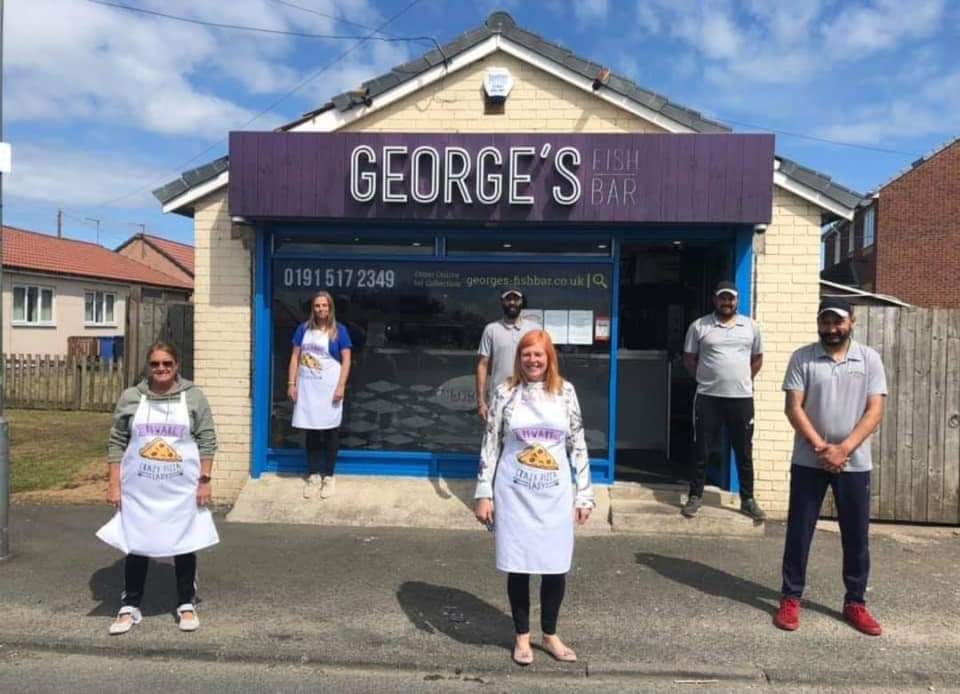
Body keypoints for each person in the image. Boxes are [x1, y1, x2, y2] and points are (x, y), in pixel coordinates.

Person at [473, 329, 595, 666]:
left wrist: (584, 494)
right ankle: (522, 637)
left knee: (555, 566)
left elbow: (578, 445)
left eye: (539, 354)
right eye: (527, 354)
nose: (533, 360)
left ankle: (551, 634)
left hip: (554, 495)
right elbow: (491, 444)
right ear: (519, 358)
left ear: (549, 357)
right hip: (514, 493)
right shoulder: (504, 393)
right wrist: (484, 492)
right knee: (519, 566)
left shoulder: (566, 393)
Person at [774, 298, 887, 635]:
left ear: (851, 322)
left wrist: (844, 449)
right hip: (810, 460)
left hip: (854, 463)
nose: (831, 329)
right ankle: (790, 598)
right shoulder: (803, 357)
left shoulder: (869, 359)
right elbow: (794, 407)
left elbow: (875, 411)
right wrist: (822, 447)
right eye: (826, 322)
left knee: (856, 536)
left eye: (838, 322)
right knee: (799, 531)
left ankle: (855, 602)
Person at [97, 341, 218, 635]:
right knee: (137, 542)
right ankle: (130, 605)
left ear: (177, 366)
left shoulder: (193, 397)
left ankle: (185, 603)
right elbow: (117, 442)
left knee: (184, 542)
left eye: (167, 364)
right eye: (155, 364)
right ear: (148, 367)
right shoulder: (131, 397)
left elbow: (207, 439)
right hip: (140, 489)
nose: (161, 369)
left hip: (181, 488)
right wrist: (115, 484)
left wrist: (205, 481)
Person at [682, 280, 765, 520]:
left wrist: (742, 379)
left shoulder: (751, 327)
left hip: (741, 398)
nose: (727, 303)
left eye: (731, 298)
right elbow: (689, 358)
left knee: (744, 450)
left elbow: (758, 358)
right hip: (708, 398)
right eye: (722, 298)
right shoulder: (699, 326)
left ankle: (747, 499)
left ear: (737, 301)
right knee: (702, 450)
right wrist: (704, 378)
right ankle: (695, 495)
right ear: (715, 300)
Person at [289, 291, 352, 499]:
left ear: (330, 308)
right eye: (317, 306)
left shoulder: (339, 331)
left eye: (324, 306)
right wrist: (292, 383)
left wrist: (341, 386)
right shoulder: (303, 330)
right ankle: (314, 475)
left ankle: (329, 476)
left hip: (329, 390)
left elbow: (346, 361)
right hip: (308, 389)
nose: (321, 309)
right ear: (313, 308)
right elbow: (295, 358)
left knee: (331, 432)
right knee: (312, 433)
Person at [476, 288, 537, 423]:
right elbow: (482, 365)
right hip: (498, 401)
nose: (512, 303)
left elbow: (545, 363)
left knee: (527, 443)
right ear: (502, 302)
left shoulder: (535, 329)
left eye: (516, 299)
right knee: (495, 444)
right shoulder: (491, 329)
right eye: (508, 299)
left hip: (529, 400)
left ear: (522, 302)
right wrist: (481, 402)